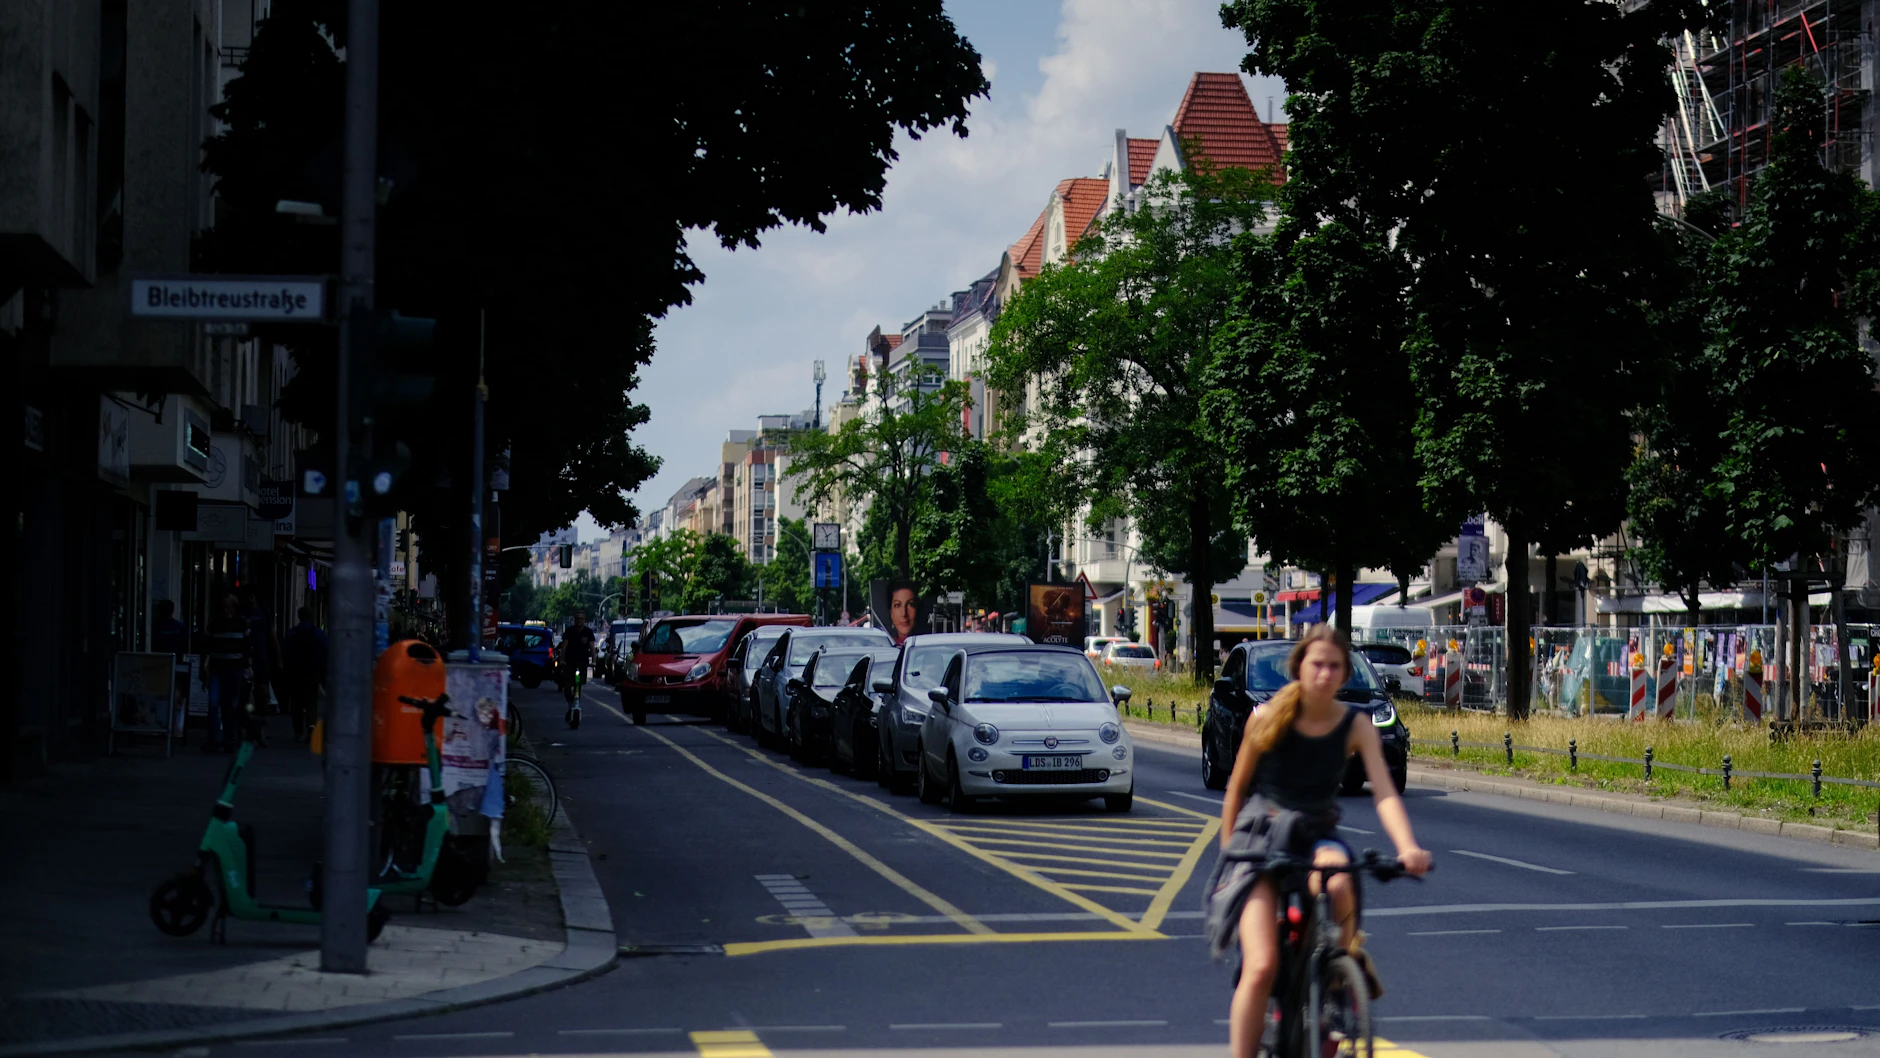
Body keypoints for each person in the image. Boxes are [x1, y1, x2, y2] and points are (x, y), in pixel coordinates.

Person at [1215, 625, 1431, 1058]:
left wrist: (1407, 846)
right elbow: (1236, 790)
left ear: (1345, 673)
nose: (1326, 674)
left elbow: (1385, 791)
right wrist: (1228, 857)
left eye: (1335, 667)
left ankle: (1335, 976)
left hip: (1315, 833)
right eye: (1317, 664)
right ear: (1299, 668)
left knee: (1339, 881)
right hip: (1261, 837)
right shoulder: (1266, 717)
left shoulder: (1356, 724)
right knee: (1260, 968)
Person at [202, 593, 254, 752]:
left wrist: (248, 667)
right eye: (224, 607)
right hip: (218, 668)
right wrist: (203, 669)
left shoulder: (242, 623)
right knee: (214, 704)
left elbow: (248, 647)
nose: (226, 610)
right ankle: (215, 739)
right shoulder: (214, 623)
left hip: (235, 669)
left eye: (229, 607)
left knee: (230, 706)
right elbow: (206, 648)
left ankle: (228, 741)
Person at [280, 607, 328, 742]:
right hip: (312, 672)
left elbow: (285, 650)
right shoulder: (318, 633)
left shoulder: (292, 633)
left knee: (296, 702)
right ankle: (311, 726)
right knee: (311, 701)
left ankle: (298, 731)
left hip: (295, 671)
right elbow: (326, 649)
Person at [559, 611, 597, 717]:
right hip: (569, 662)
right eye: (577, 619)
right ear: (574, 620)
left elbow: (592, 648)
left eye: (581, 619)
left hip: (582, 662)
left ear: (584, 620)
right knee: (567, 687)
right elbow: (564, 646)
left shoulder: (588, 632)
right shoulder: (569, 631)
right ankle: (570, 704)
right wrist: (562, 660)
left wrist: (594, 662)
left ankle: (576, 703)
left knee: (578, 685)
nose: (579, 621)